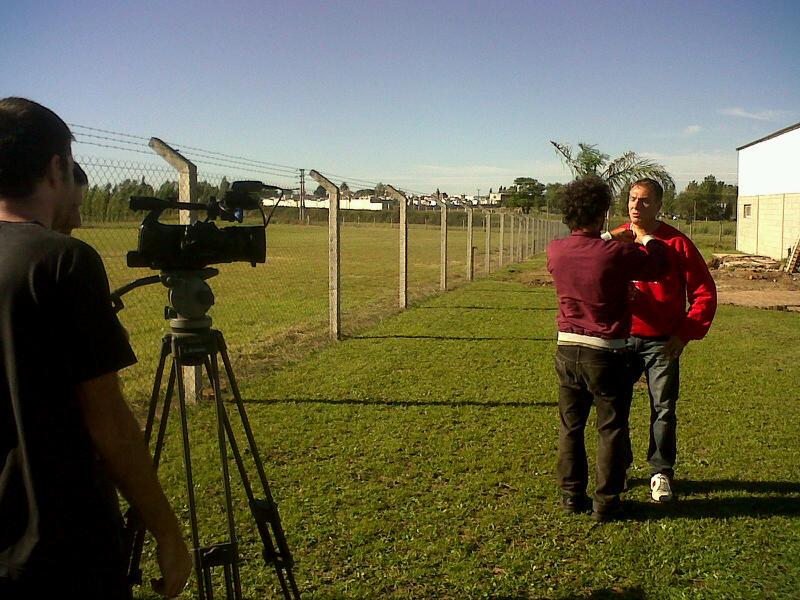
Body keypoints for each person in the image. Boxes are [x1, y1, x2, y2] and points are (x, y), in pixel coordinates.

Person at [0, 97, 192, 598]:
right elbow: (107, 420)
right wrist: (167, 532)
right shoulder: (63, 261)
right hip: (59, 546)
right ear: (56, 168)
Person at [547, 175, 669, 521]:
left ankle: (572, 496)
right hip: (606, 352)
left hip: (567, 349)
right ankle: (606, 502)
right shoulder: (617, 253)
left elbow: (586, 250)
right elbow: (659, 267)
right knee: (611, 428)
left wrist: (607, 238)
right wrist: (646, 238)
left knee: (571, 428)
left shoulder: (556, 250)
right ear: (602, 213)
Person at [608, 178, 717, 503]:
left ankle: (661, 473)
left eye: (644, 200)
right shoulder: (617, 239)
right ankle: (620, 466)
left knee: (664, 409)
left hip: (663, 343)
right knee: (616, 406)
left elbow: (704, 293)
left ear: (658, 205)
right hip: (622, 339)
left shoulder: (677, 243)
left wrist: (684, 334)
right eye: (632, 198)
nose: (635, 205)